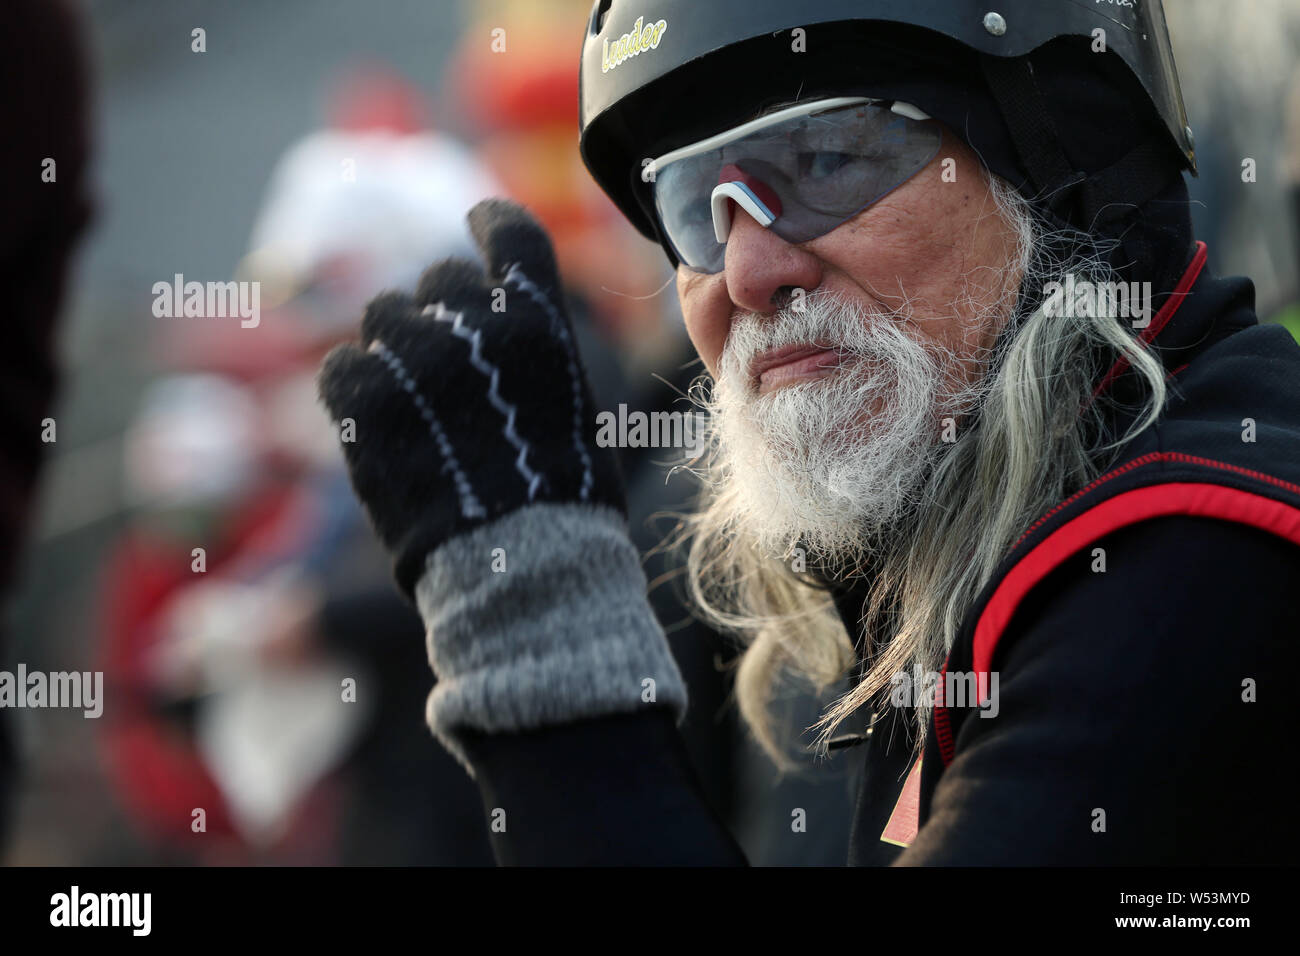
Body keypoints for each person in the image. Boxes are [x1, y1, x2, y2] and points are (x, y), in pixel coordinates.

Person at [316, 0, 1300, 864]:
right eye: (697, 207)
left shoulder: (1194, 541)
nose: (746, 275)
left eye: (825, 159)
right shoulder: (947, 540)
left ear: (1053, 165)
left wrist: (536, 624)